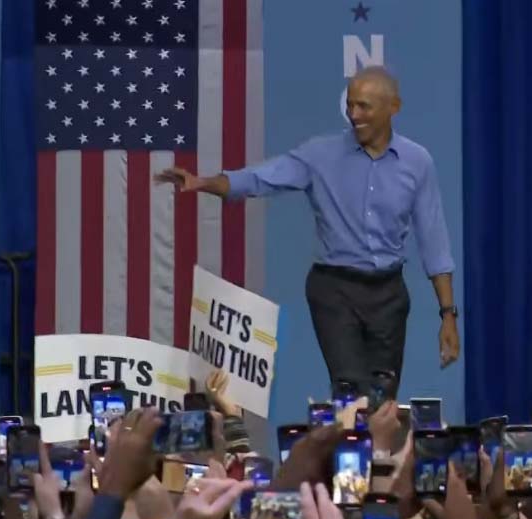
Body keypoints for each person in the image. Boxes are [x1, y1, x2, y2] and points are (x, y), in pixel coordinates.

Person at [155, 66, 460, 396]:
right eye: (351, 105)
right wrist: (202, 182)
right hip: (334, 290)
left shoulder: (418, 162)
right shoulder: (320, 155)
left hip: (389, 294)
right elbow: (259, 178)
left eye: (364, 107)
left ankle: (377, 448)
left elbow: (434, 240)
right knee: (350, 390)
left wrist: (447, 315)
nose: (354, 114)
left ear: (393, 107)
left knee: (383, 397)